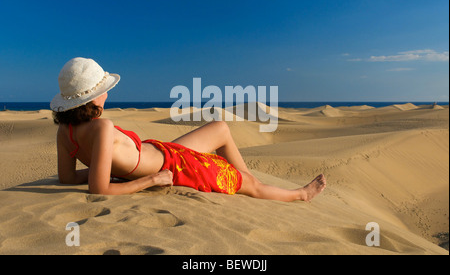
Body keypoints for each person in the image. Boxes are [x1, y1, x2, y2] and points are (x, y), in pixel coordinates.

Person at [51, 57, 326, 201]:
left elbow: (67, 178)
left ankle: (249, 177)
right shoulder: (102, 128)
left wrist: (109, 169)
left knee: (220, 128)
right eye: (103, 91)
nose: (107, 95)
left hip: (162, 150)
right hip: (174, 165)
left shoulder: (65, 133)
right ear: (91, 99)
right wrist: (149, 181)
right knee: (248, 185)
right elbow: (98, 190)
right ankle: (299, 194)